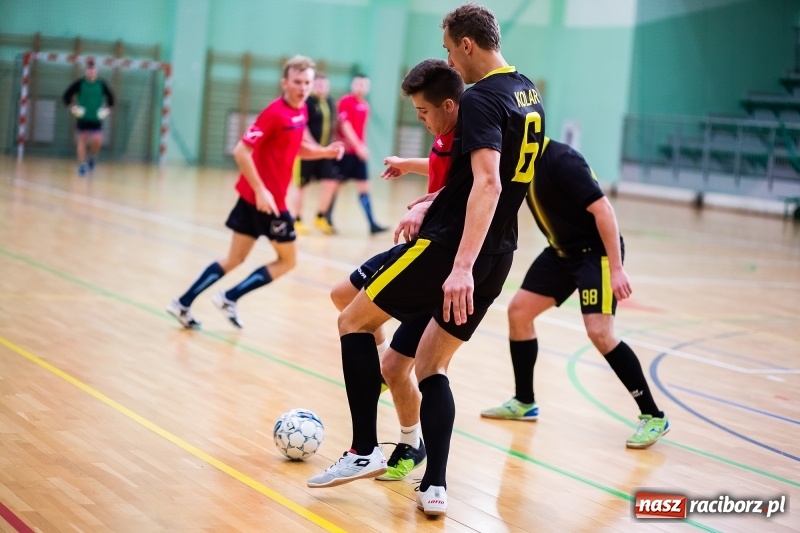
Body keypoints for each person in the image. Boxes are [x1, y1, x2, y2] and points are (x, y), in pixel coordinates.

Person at [307, 4, 545, 519]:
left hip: (449, 251)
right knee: (431, 366)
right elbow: (489, 180)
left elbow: (488, 183)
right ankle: (434, 484)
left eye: (449, 50)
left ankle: (364, 448)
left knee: (352, 320)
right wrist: (434, 201)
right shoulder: (528, 92)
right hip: (499, 254)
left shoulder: (479, 98)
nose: (449, 61)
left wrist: (459, 265)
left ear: (467, 44)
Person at [480, 137, 670, 449]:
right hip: (561, 252)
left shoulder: (562, 160)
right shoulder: (519, 160)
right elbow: (466, 171)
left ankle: (653, 415)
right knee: (519, 313)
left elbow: (604, 210)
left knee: (600, 333)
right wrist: (408, 166)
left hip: (595, 253)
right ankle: (524, 401)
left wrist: (617, 268)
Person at [327, 58, 464, 482]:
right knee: (342, 295)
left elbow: (465, 188)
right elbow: (442, 168)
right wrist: (409, 163)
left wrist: (428, 204)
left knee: (394, 367)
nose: (419, 117)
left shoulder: (468, 134)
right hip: (419, 247)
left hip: (436, 259)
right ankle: (378, 367)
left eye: (422, 111)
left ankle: (410, 442)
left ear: (447, 105)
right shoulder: (444, 135)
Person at [166, 56, 344, 330]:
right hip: (267, 202)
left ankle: (183, 303)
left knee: (234, 259)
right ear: (284, 83)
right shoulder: (275, 113)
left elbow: (295, 147)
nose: (303, 87)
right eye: (297, 82)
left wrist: (323, 152)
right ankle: (229, 297)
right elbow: (241, 151)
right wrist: (262, 191)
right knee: (288, 261)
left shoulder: (301, 111)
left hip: (258, 199)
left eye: (307, 82)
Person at [315, 73, 387, 235]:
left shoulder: (365, 105)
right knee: (335, 186)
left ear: (368, 87)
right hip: (346, 153)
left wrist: (363, 147)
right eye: (358, 84)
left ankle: (372, 223)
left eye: (364, 85)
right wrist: (358, 146)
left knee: (364, 187)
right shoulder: (345, 101)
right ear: (352, 85)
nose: (360, 88)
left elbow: (362, 129)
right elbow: (345, 126)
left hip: (358, 154)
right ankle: (326, 217)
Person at [290, 73, 337, 236]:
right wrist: (314, 147)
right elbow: (303, 126)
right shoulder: (306, 102)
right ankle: (296, 220)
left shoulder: (330, 102)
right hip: (307, 152)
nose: (320, 87)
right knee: (302, 186)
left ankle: (320, 217)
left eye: (323, 85)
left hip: (324, 152)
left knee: (331, 183)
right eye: (317, 85)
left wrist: (330, 147)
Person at [62, 58, 114, 176]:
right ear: (86, 71)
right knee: (82, 139)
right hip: (83, 118)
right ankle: (82, 165)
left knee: (98, 140)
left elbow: (111, 99)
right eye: (89, 70)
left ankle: (92, 157)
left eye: (93, 70)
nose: (91, 72)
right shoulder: (80, 83)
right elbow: (66, 96)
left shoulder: (101, 84)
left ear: (96, 71)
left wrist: (107, 110)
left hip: (96, 119)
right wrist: (73, 107)